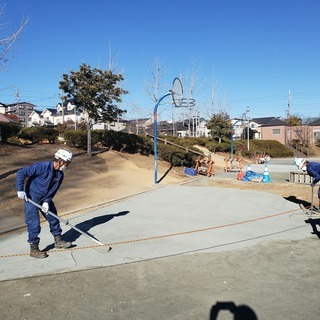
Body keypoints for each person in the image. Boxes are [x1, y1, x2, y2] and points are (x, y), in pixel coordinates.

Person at [16, 148, 73, 258]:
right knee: (34, 224)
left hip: (45, 199)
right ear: (61, 161)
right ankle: (34, 249)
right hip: (31, 198)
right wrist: (20, 190)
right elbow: (21, 172)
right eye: (67, 163)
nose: (68, 165)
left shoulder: (60, 175)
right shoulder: (42, 166)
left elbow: (53, 190)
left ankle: (58, 241)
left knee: (53, 218)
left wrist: (47, 201)